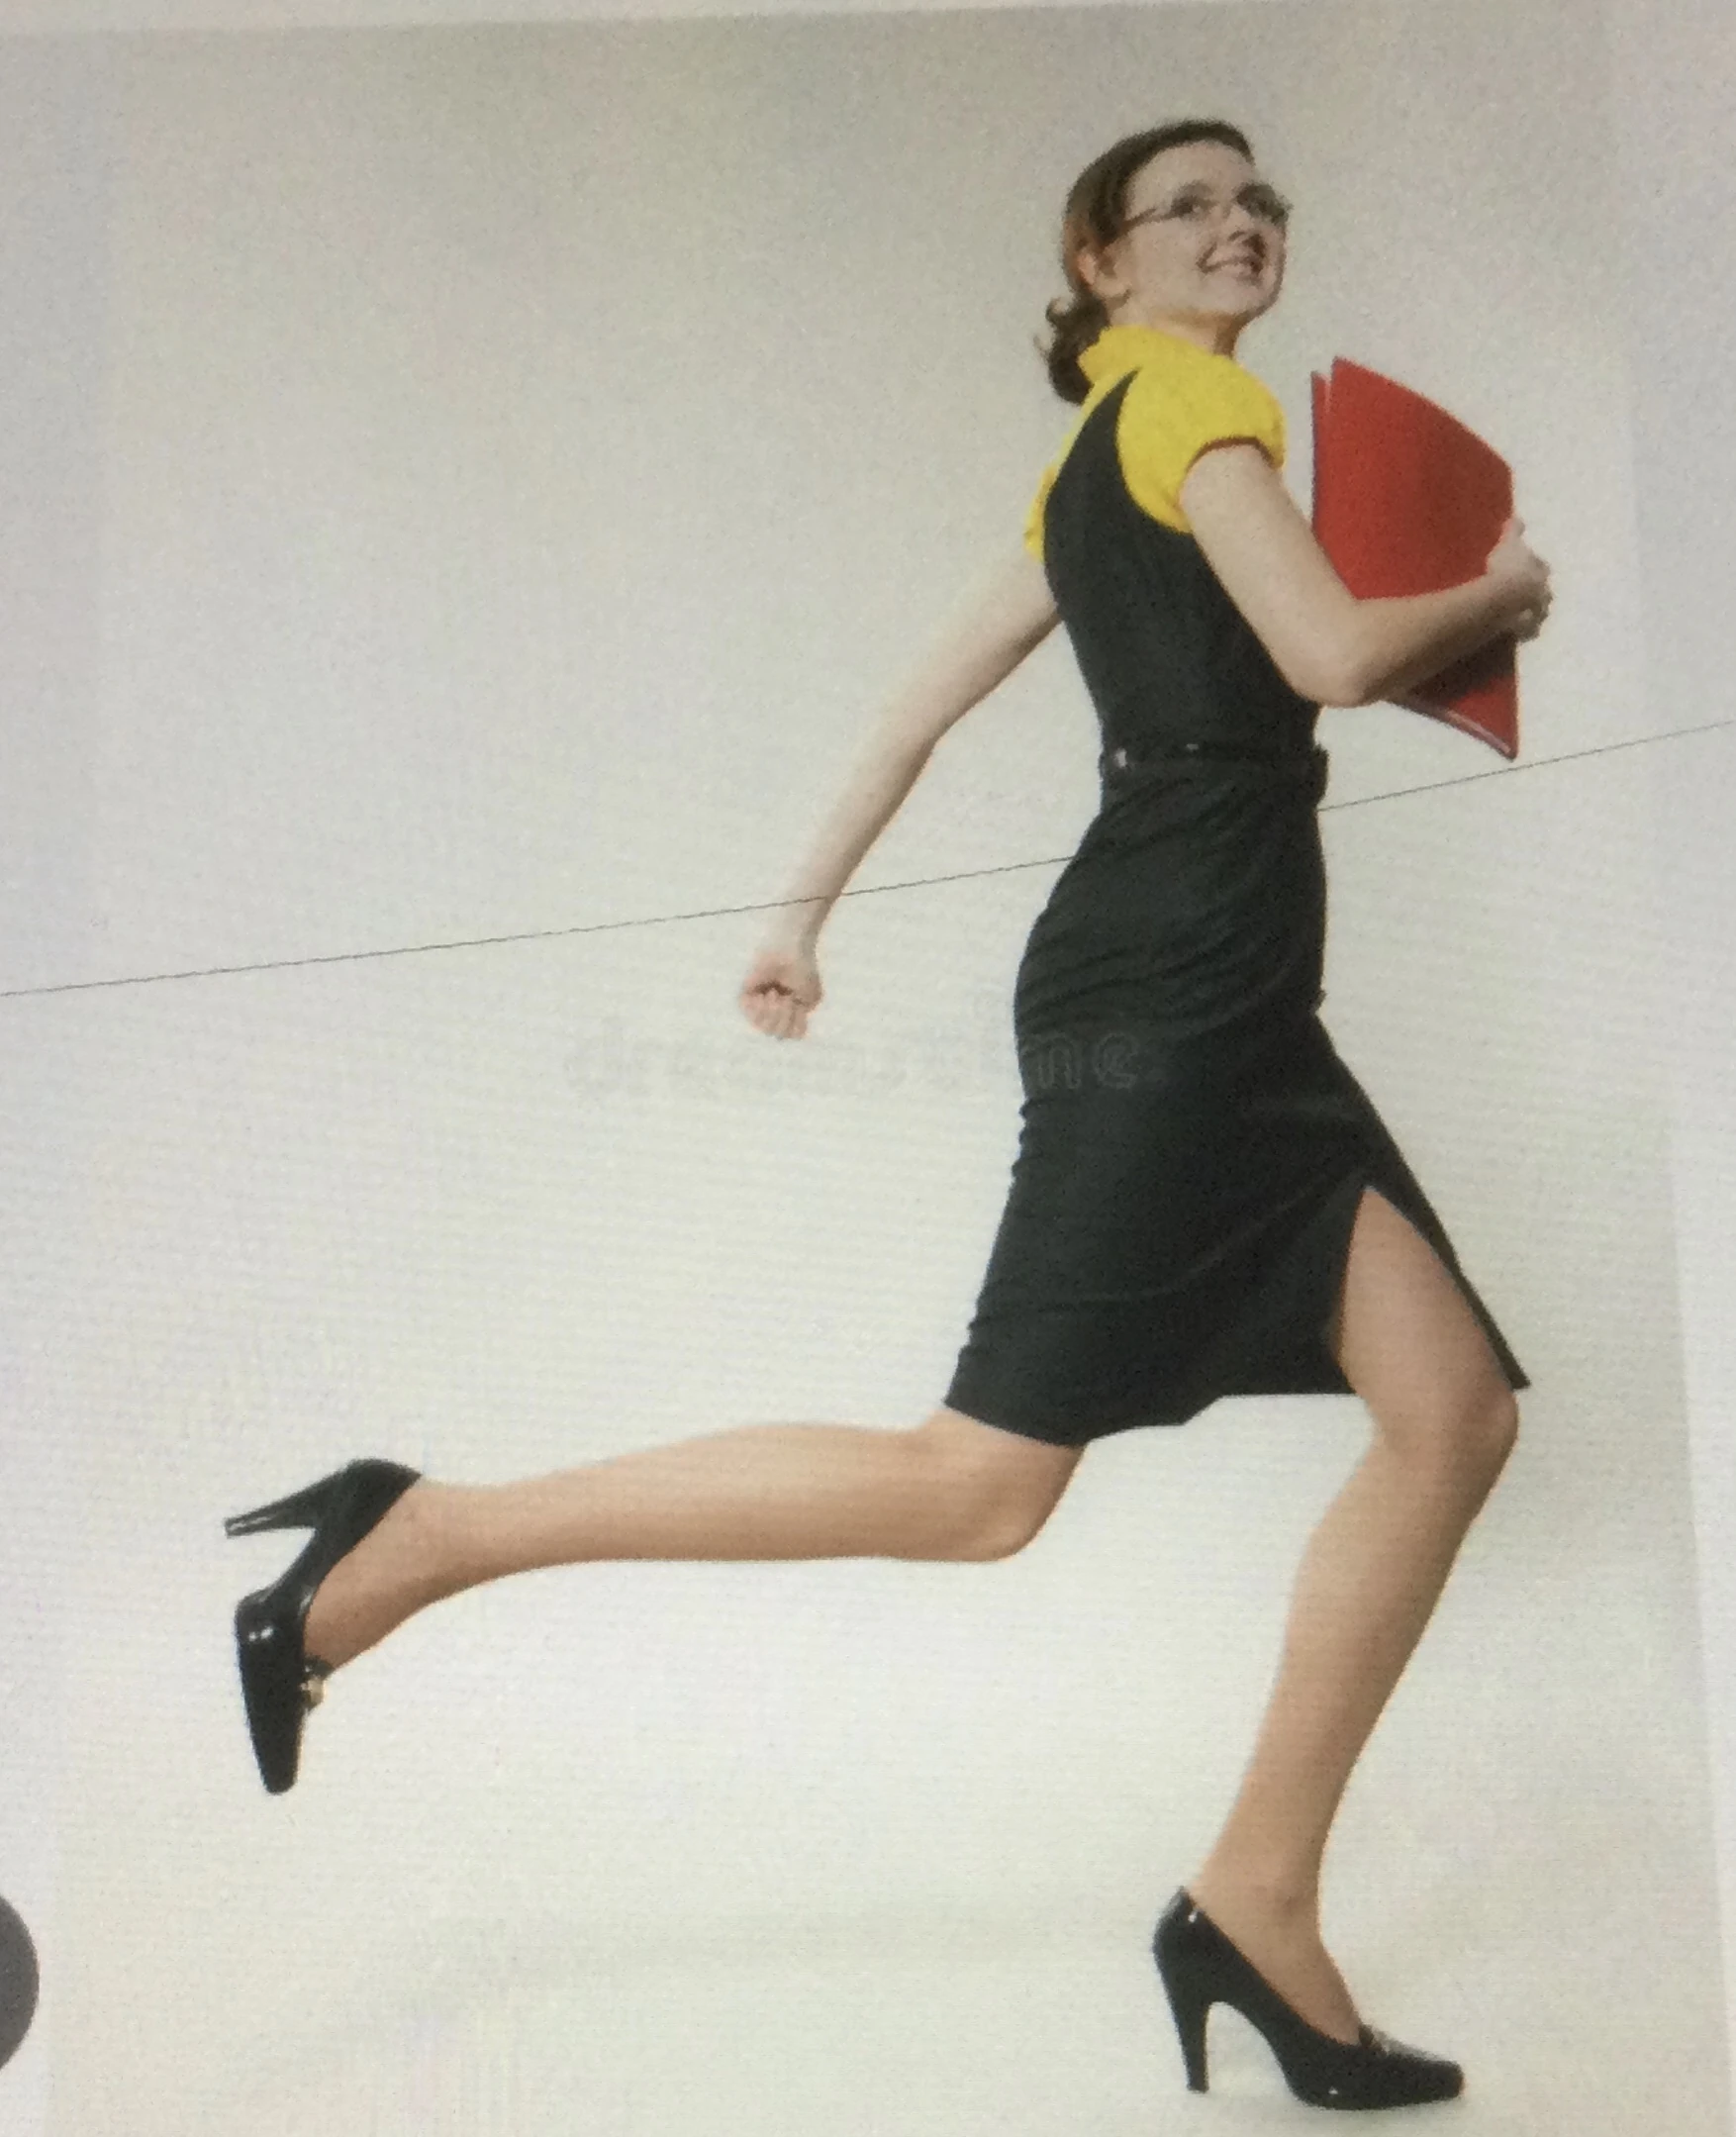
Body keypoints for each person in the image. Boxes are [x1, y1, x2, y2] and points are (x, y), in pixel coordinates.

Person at [228, 118, 1551, 2111]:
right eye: (1187, 206)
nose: (1237, 224)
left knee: (1447, 1411)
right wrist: (1494, 590)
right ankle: (428, 1535)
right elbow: (1333, 653)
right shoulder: (1198, 410)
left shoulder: (1091, 459)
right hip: (1182, 996)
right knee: (975, 1486)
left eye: (1256, 199)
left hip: (1227, 1000)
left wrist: (797, 917)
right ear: (1100, 263)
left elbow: (916, 705)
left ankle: (1256, 1898)